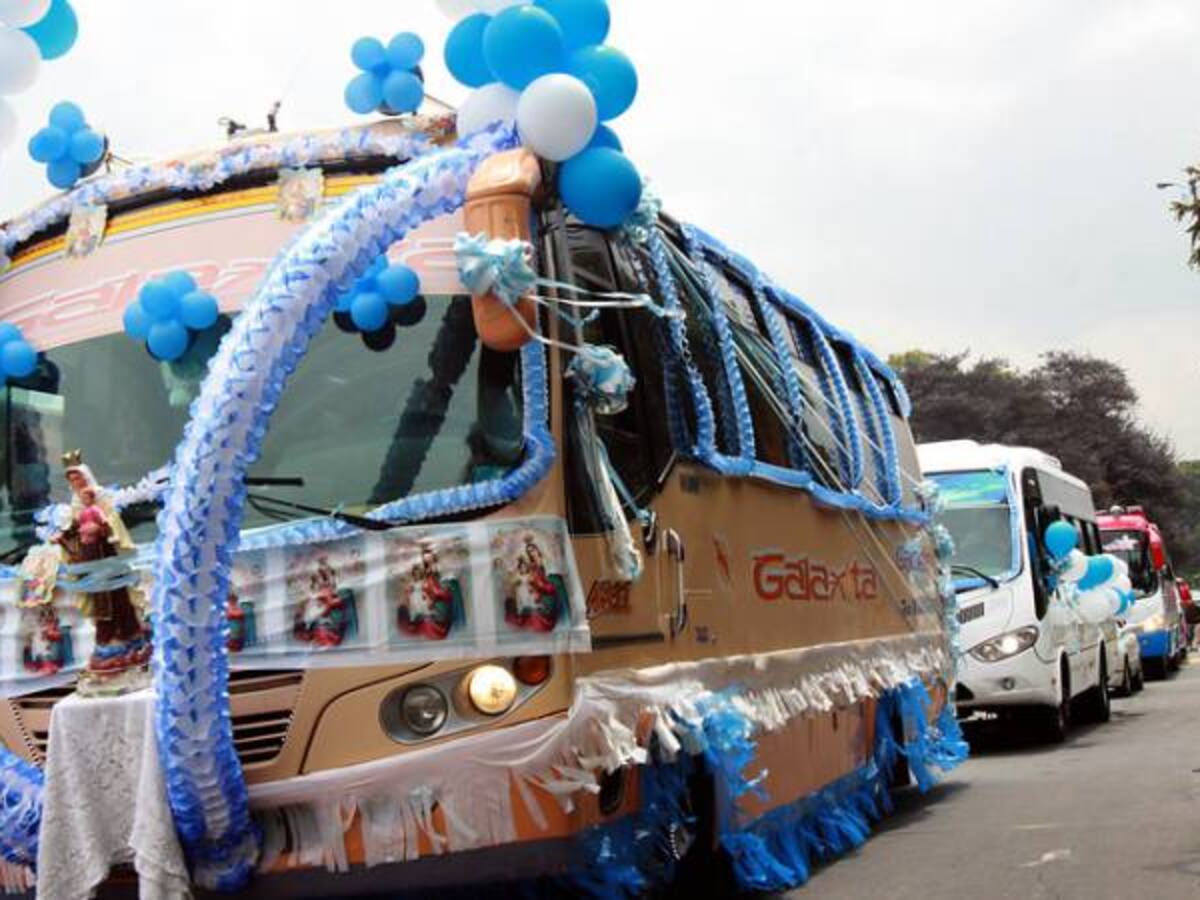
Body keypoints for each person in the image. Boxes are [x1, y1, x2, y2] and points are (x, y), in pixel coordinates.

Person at [51, 452, 150, 688]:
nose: (77, 484)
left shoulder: (100, 505)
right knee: (99, 602)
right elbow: (72, 530)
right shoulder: (76, 509)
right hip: (89, 560)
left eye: (79, 479)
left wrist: (100, 529)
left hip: (105, 557)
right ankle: (107, 642)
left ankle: (128, 637)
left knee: (116, 598)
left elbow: (111, 527)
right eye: (72, 481)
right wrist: (62, 537)